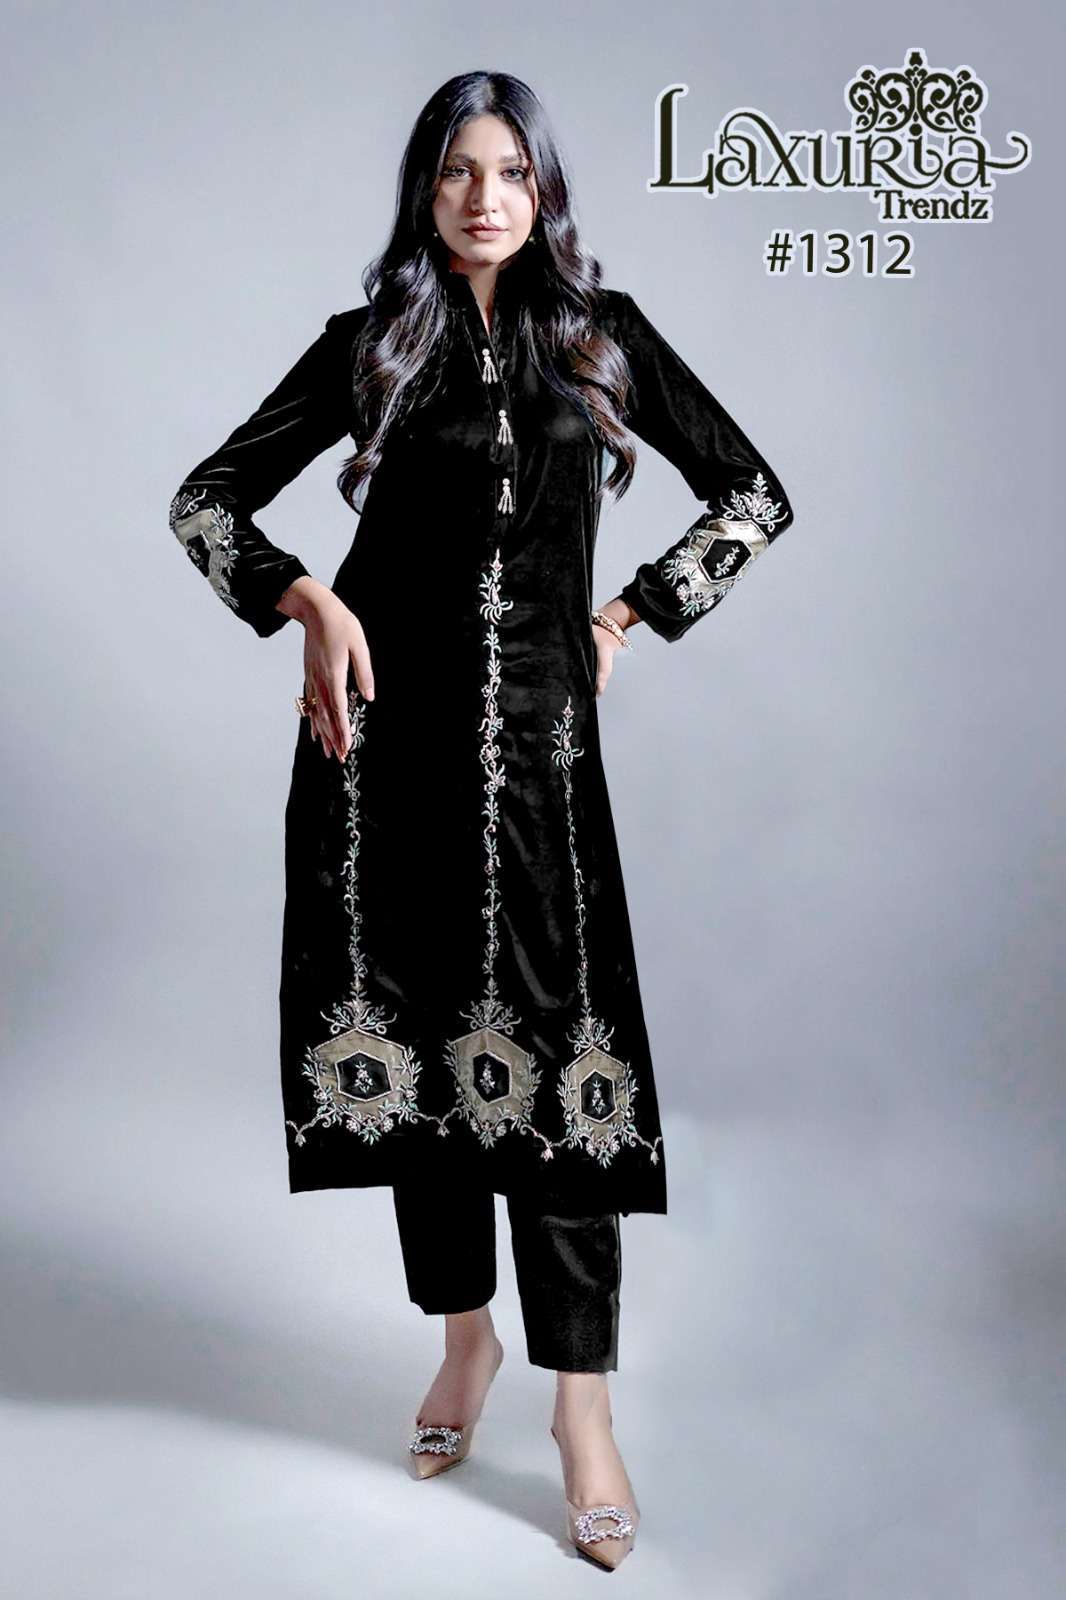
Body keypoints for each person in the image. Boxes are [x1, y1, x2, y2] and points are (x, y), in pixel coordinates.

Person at [168, 70, 795, 1569]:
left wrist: (632, 612)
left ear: (544, 190)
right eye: (456, 170)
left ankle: (582, 1408)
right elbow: (205, 500)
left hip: (543, 769)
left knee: (564, 1062)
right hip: (381, 757)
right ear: (424, 190)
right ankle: (464, 1342)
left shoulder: (601, 339)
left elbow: (752, 496)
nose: (483, 197)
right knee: (426, 1048)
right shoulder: (371, 348)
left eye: (510, 170)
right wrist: (306, 600)